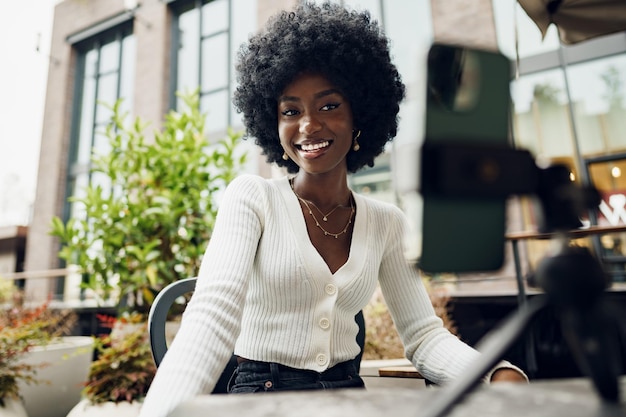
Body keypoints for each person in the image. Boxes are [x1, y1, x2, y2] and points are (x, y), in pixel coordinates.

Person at [138, 2, 526, 416]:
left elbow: (424, 336)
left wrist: (496, 372)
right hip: (262, 398)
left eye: (328, 106)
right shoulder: (252, 197)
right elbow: (211, 318)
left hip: (347, 396)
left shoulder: (386, 223)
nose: (307, 125)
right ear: (273, 122)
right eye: (291, 111)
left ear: (360, 114)